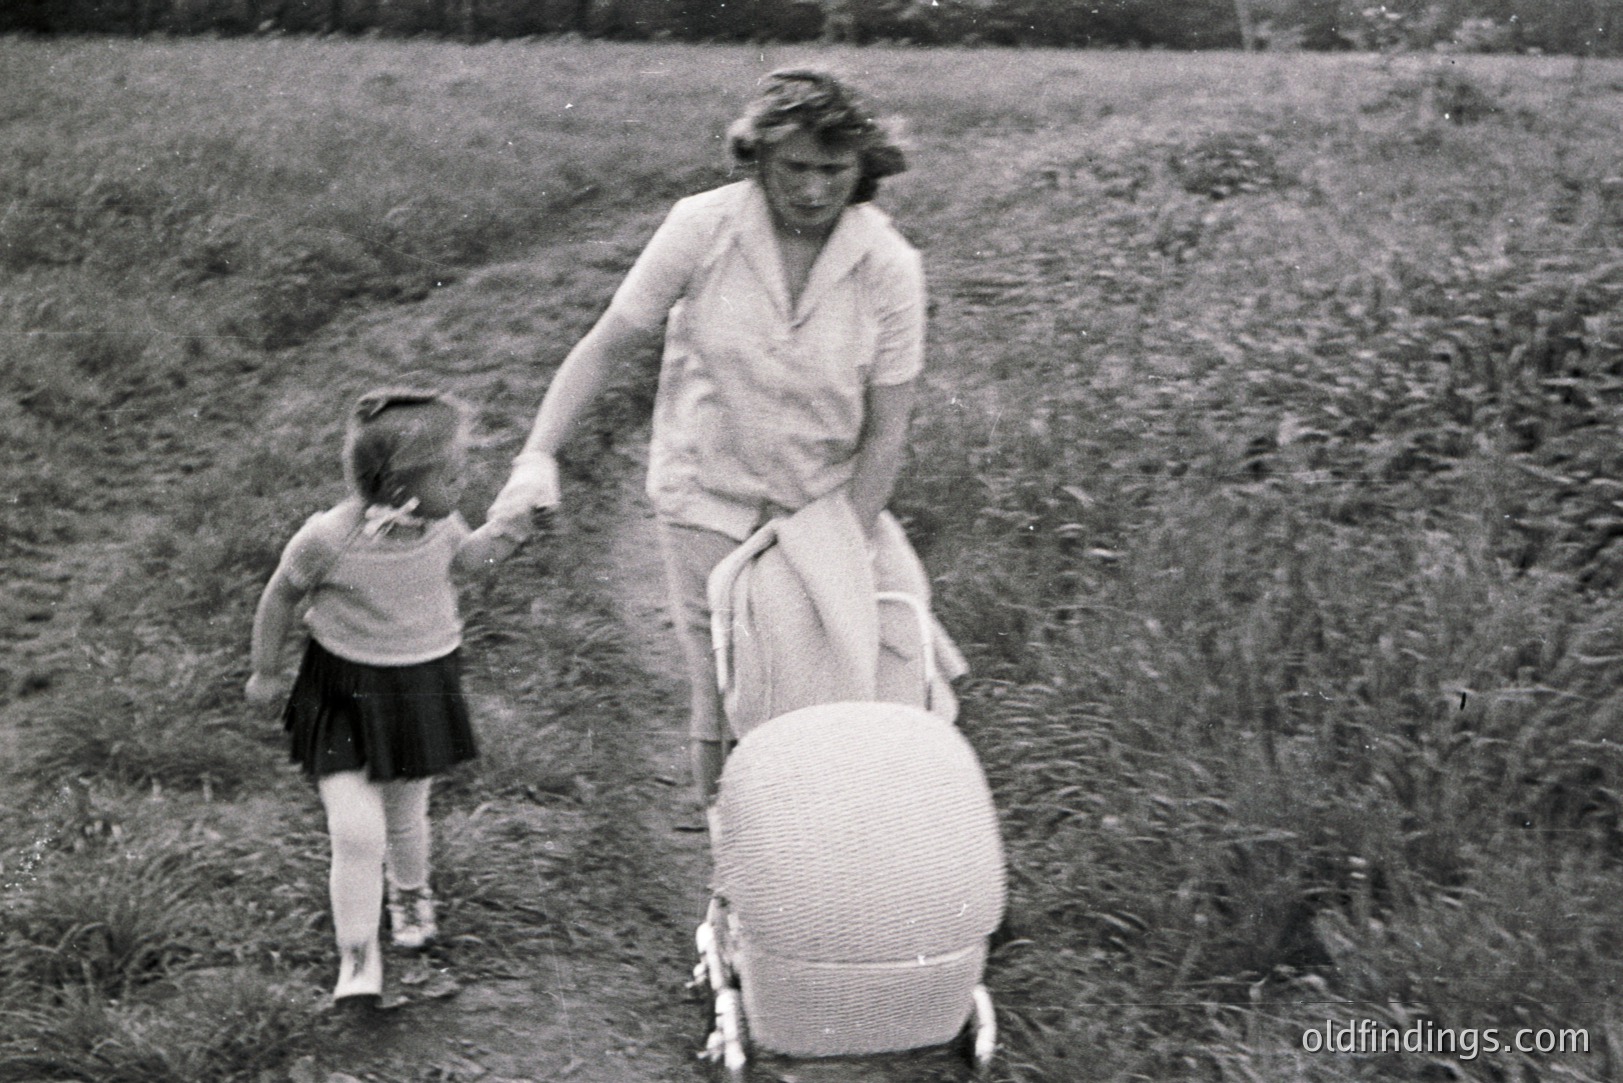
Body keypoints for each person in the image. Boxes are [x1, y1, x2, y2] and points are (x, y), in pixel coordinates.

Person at [488, 68, 923, 807]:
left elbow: (886, 431)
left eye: (834, 170)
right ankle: (732, 878)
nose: (814, 190)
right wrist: (537, 455)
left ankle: (821, 867)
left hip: (821, 506)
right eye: (795, 168)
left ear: (864, 167)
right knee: (722, 688)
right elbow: (605, 345)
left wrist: (839, 548)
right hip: (704, 499)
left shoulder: (890, 267)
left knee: (838, 691)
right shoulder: (702, 227)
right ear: (756, 157)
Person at [247, 386, 534, 1006]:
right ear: (400, 486)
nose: (465, 483)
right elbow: (279, 596)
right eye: (453, 475)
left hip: (419, 685)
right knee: (355, 830)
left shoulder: (440, 522)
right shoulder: (327, 538)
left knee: (406, 815)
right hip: (342, 692)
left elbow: (469, 561)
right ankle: (357, 955)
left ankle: (409, 891)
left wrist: (508, 532)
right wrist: (266, 671)